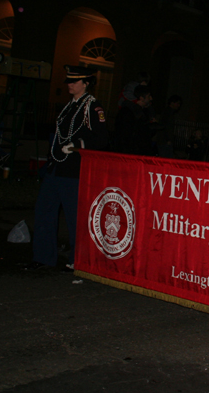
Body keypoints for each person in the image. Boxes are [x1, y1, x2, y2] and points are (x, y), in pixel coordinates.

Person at [25, 65, 108, 271]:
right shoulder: (69, 106)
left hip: (73, 170)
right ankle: (44, 256)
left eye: (74, 81)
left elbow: (103, 138)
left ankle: (77, 259)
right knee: (44, 210)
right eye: (69, 81)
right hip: (56, 167)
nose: (70, 84)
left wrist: (78, 145)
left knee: (74, 216)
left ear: (86, 83)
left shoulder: (92, 107)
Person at [113, 85, 154, 155]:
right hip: (130, 153)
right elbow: (124, 135)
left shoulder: (141, 112)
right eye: (148, 96)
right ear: (141, 98)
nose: (151, 98)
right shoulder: (129, 112)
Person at [156, 95, 181, 159]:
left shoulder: (168, 112)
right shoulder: (168, 113)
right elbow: (166, 127)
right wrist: (168, 139)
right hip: (165, 141)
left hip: (164, 140)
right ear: (172, 103)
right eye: (177, 103)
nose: (178, 105)